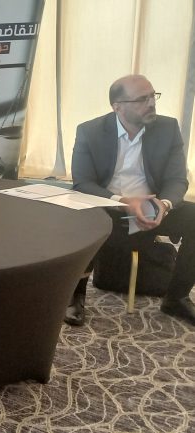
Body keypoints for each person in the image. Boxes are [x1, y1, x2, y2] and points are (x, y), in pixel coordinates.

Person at [67, 74, 195, 326]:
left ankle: (176, 298)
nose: (151, 103)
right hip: (108, 207)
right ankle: (75, 295)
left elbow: (177, 179)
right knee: (80, 216)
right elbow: (82, 182)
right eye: (142, 99)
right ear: (118, 107)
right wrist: (124, 201)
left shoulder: (167, 128)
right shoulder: (90, 131)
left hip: (152, 209)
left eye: (153, 96)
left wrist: (164, 205)